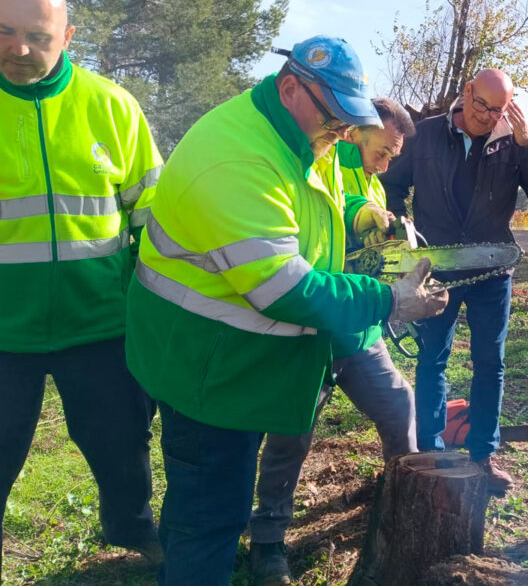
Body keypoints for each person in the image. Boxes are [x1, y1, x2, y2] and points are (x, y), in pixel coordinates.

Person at [125, 35, 448, 585]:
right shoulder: (238, 156)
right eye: (335, 119)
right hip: (210, 371)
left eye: (350, 123)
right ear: (292, 87)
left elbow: (308, 214)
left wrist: (358, 213)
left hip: (241, 364)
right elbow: (282, 287)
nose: (342, 134)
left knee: (215, 510)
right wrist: (390, 300)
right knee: (209, 521)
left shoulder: (302, 137)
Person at [0, 0, 163, 570]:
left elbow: (154, 219)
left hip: (100, 324)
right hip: (1, 334)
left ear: (67, 36)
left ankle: (131, 530)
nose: (17, 48)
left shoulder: (112, 107)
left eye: (35, 36)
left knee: (121, 443)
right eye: (3, 32)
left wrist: (155, 311)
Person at [248, 97, 418, 585]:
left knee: (398, 406)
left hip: (357, 331)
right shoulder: (328, 158)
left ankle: (401, 504)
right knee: (290, 435)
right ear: (359, 133)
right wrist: (366, 213)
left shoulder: (373, 179)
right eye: (382, 150)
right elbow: (339, 204)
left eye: (393, 155)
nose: (387, 161)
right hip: (311, 327)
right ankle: (268, 541)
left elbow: (367, 227)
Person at [381, 68, 528, 493]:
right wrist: (396, 221)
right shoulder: (423, 136)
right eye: (482, 105)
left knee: (489, 363)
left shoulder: (512, 142)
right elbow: (389, 183)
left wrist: (527, 143)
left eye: (498, 110)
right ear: (466, 93)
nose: (487, 116)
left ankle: (483, 453)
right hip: (435, 267)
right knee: (432, 359)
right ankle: (431, 447)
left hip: (492, 270)